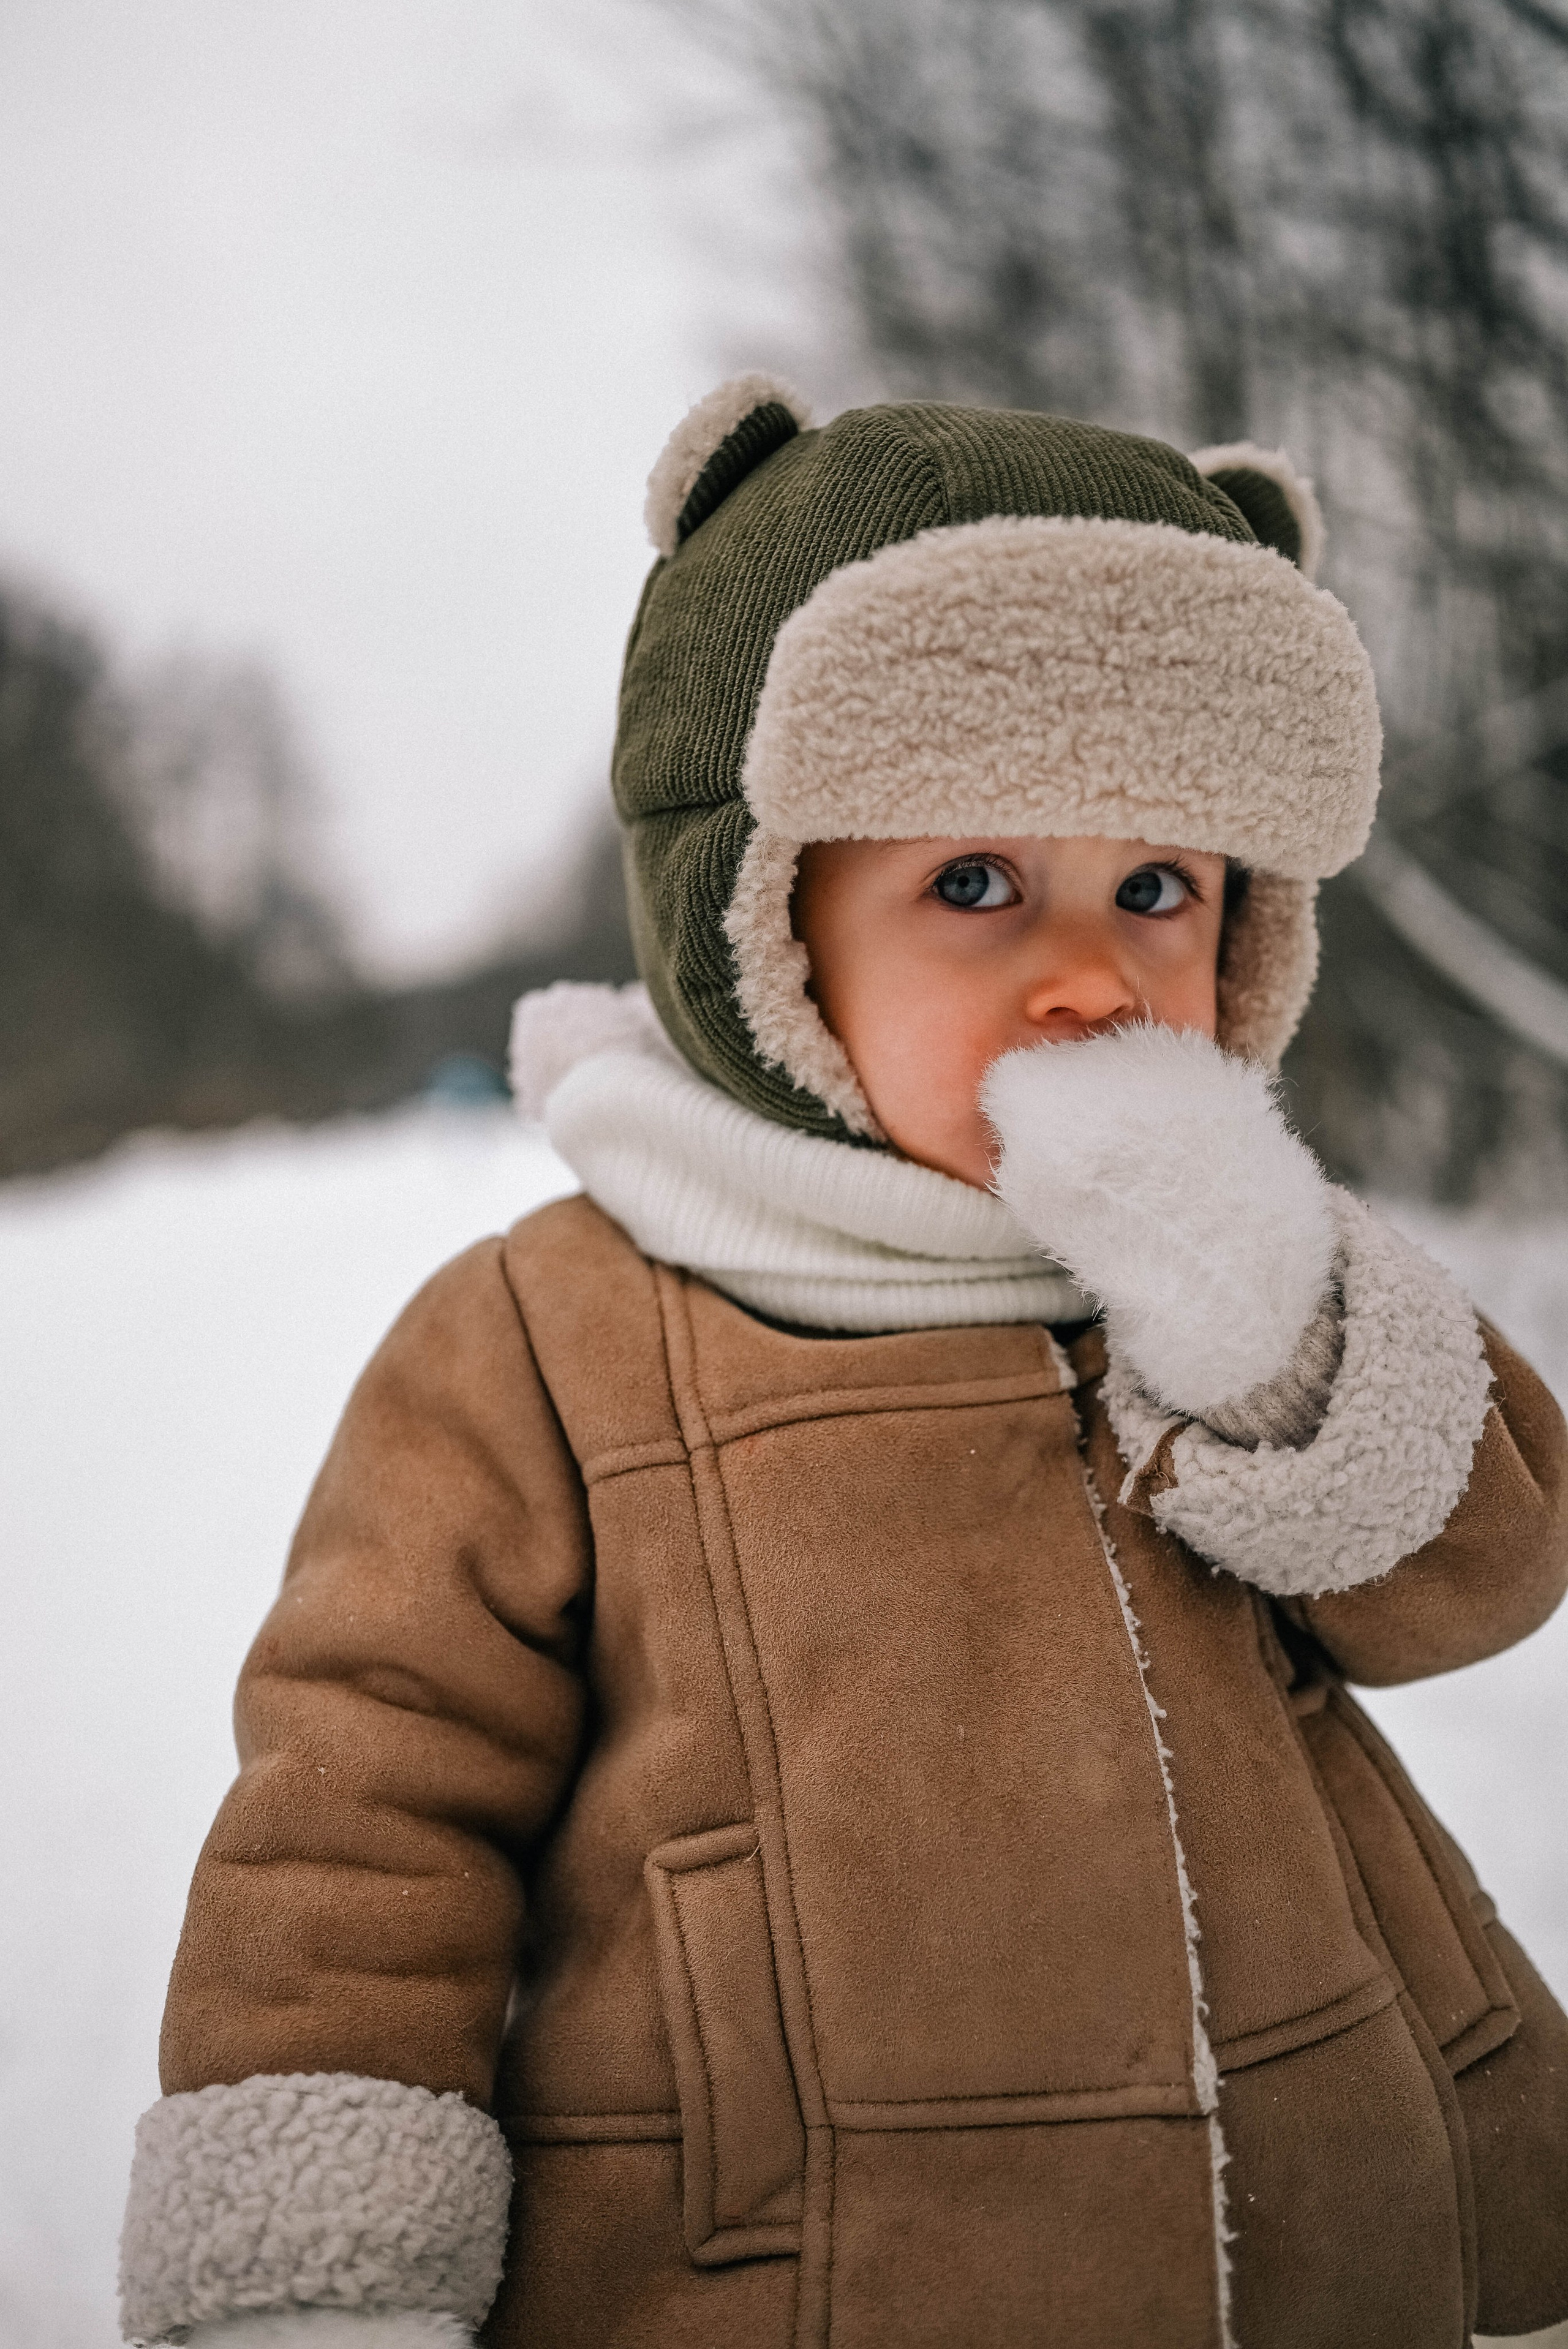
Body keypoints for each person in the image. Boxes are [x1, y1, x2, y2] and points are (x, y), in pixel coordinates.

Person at [120, 383, 1568, 2349]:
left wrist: (1272, 1324)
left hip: (1311, 2231)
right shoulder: (548, 1332)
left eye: (1160, 887)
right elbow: (369, 1806)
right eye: (975, 882)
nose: (1088, 971)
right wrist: (324, 2272)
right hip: (780, 2264)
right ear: (761, 934)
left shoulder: (1226, 1285)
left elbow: (1475, 1583)